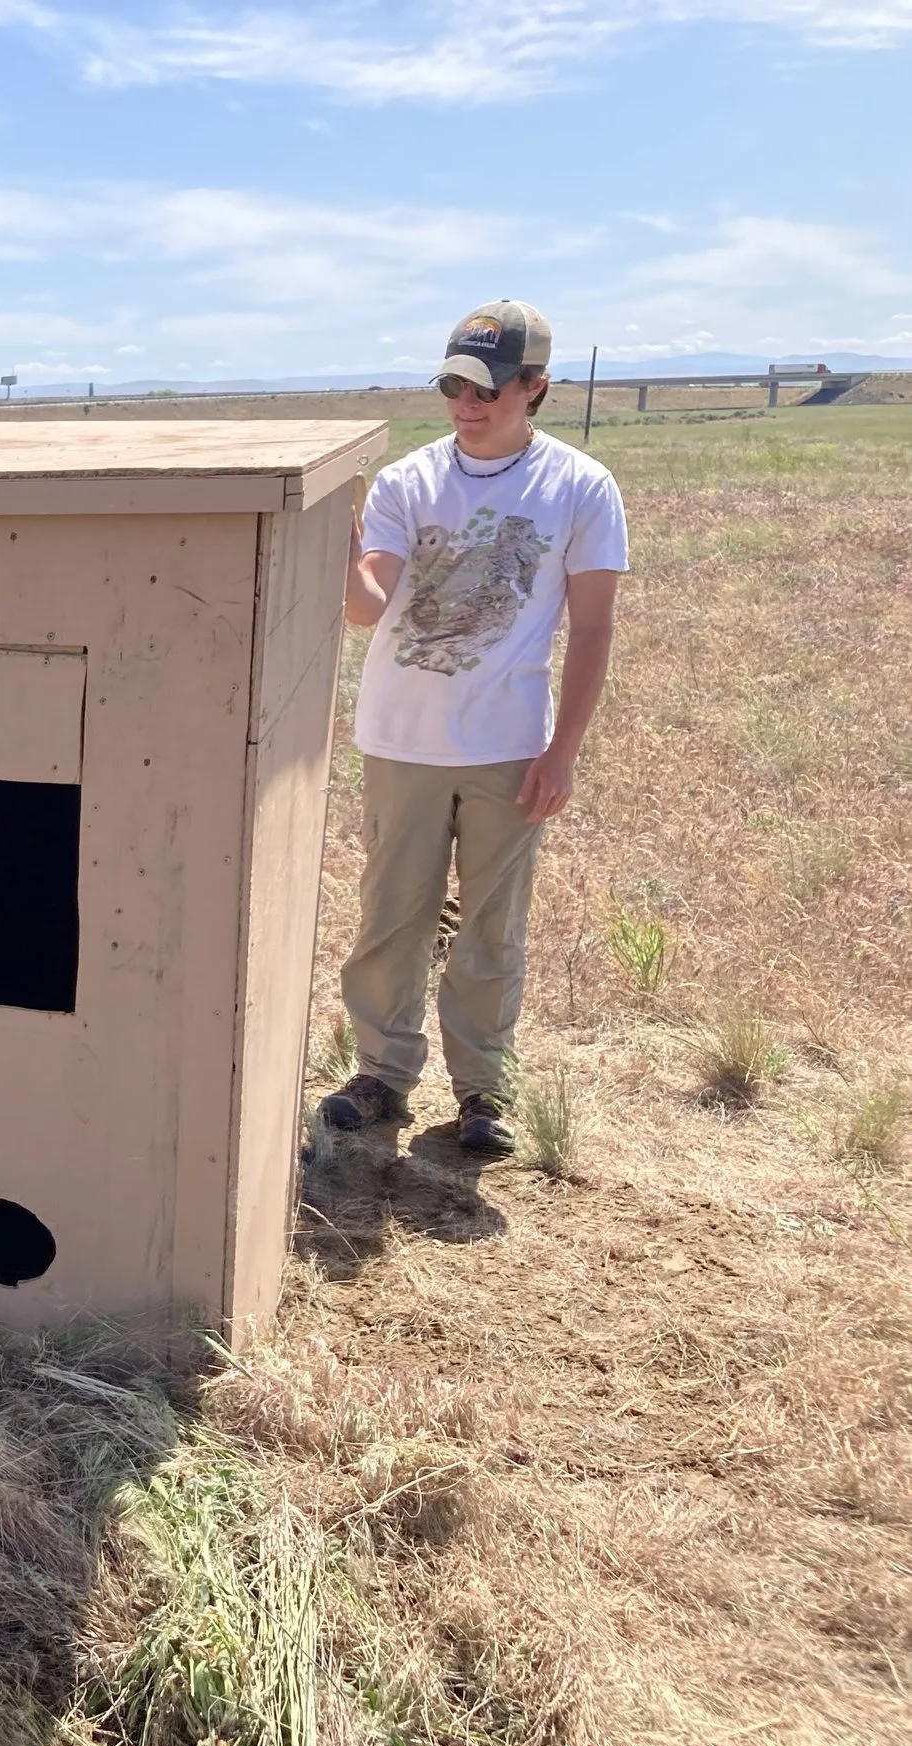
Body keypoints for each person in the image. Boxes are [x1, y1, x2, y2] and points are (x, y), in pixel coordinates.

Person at [321, 301, 628, 1154]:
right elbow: (366, 608)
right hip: (401, 740)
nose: (467, 401)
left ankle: (484, 1092)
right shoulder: (405, 482)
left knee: (492, 925)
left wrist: (563, 751)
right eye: (454, 383)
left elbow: (594, 627)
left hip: (509, 747)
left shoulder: (579, 487)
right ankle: (382, 1077)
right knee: (392, 916)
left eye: (487, 387)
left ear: (536, 387)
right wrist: (342, 541)